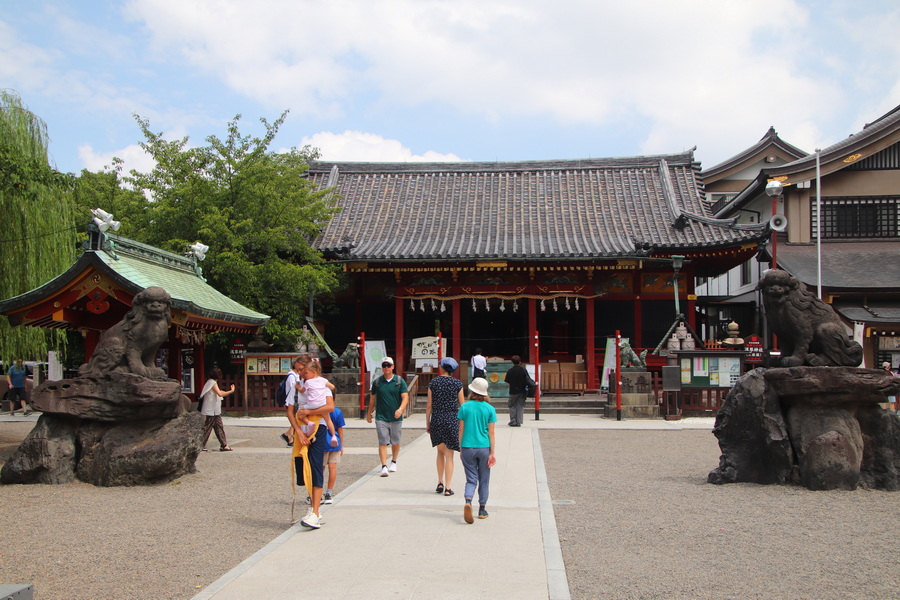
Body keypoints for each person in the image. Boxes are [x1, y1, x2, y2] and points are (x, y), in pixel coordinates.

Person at [289, 364, 336, 530]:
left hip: (318, 426)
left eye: (303, 370)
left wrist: (308, 413)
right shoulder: (299, 386)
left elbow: (330, 407)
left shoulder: (322, 384)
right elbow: (290, 410)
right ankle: (312, 507)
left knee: (316, 465)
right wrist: (297, 431)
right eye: (299, 370)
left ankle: (315, 511)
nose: (301, 373)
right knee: (303, 468)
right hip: (301, 429)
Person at [457, 377, 497, 524]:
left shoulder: (465, 407)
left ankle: (468, 500)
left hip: (467, 446)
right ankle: (482, 509)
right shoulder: (490, 409)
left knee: (471, 478)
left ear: (471, 391)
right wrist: (492, 453)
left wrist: (461, 447)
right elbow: (491, 432)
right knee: (484, 479)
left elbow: (461, 429)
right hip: (484, 446)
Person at [426, 356, 465, 496]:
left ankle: (439, 482)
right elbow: (463, 405)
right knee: (450, 455)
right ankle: (448, 487)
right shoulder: (457, 383)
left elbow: (429, 405)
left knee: (440, 452)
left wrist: (428, 423)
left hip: (437, 418)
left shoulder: (433, 383)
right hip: (452, 419)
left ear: (442, 367)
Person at [366, 356, 409, 477]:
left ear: (393, 367)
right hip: (381, 416)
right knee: (383, 441)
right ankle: (384, 465)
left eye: (388, 365)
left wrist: (400, 409)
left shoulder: (399, 381)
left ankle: (394, 461)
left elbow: (405, 397)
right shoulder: (377, 382)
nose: (386, 368)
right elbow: (373, 398)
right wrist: (369, 412)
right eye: (384, 366)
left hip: (395, 417)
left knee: (395, 441)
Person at [199, 368, 235, 451]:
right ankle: (200, 445)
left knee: (218, 427)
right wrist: (231, 391)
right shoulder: (212, 383)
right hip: (211, 410)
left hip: (214, 410)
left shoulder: (210, 382)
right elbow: (220, 393)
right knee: (208, 428)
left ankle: (224, 445)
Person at [322, 405, 345, 504]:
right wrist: (342, 445)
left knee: (320, 469)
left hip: (322, 441)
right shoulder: (337, 411)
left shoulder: (319, 410)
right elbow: (340, 429)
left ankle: (316, 492)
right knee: (332, 468)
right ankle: (329, 492)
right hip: (334, 441)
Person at [504, 355, 534, 427]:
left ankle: (513, 420)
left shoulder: (510, 371)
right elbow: (527, 379)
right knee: (520, 406)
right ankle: (519, 421)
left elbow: (507, 381)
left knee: (512, 405)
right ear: (519, 361)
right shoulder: (523, 370)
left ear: (512, 362)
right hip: (522, 391)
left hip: (513, 391)